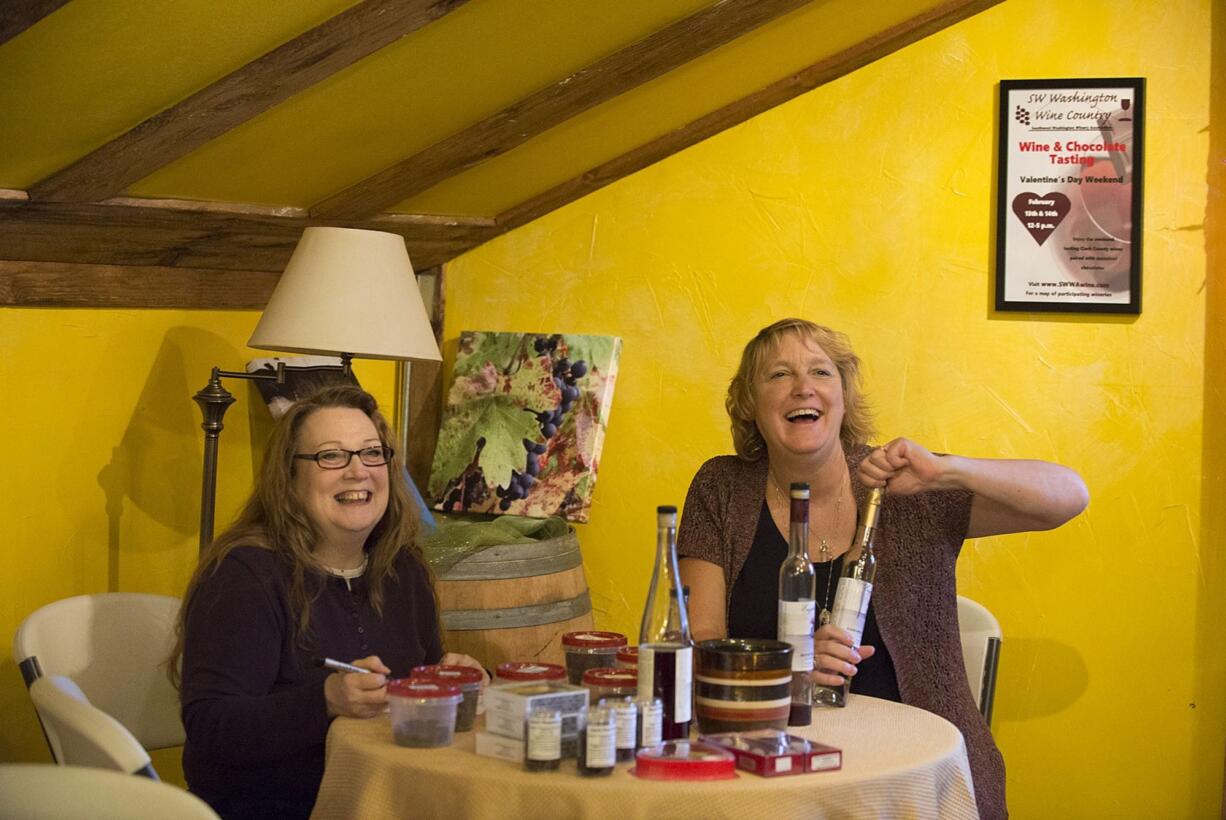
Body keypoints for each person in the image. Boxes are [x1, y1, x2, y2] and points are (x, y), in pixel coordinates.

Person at [677, 318, 1088, 820]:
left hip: (914, 777)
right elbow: (699, 640)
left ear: (844, 397)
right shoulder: (720, 487)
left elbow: (1067, 498)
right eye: (779, 375)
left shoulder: (905, 484)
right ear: (750, 404)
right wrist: (784, 670)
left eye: (821, 373)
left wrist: (947, 472)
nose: (803, 387)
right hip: (768, 771)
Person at [169, 385, 485, 819]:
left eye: (372, 453)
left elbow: (418, 689)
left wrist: (452, 682)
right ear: (289, 476)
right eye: (331, 456)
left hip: (387, 799)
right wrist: (326, 702)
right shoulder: (243, 576)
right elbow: (212, 728)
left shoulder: (402, 567)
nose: (357, 471)